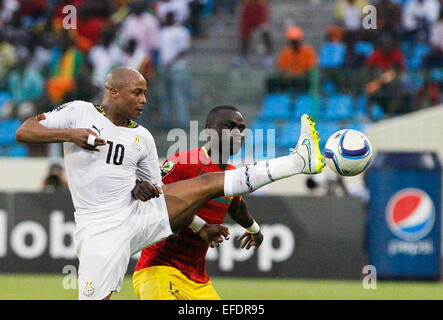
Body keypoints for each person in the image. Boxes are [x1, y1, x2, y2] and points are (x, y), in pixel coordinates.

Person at [15, 66, 325, 300]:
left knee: (211, 182)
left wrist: (193, 222)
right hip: (98, 229)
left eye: (146, 93)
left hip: (135, 217)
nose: (144, 100)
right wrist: (71, 135)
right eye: (137, 92)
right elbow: (25, 131)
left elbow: (160, 195)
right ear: (113, 91)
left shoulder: (143, 138)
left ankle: (298, 161)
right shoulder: (78, 112)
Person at [133, 105, 264, 300]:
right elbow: (159, 200)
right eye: (229, 126)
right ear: (208, 131)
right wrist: (199, 226)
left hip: (197, 280)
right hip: (159, 268)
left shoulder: (231, 173)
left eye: (241, 128)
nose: (237, 133)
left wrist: (254, 230)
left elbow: (236, 207)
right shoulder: (183, 162)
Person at [266, 26, 318, 94]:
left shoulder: (308, 51)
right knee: (272, 79)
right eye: (293, 41)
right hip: (289, 77)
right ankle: (278, 96)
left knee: (306, 79)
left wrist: (302, 73)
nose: (295, 43)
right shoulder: (286, 52)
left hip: (303, 77)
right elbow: (281, 68)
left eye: (296, 41)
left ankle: (302, 96)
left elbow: (311, 67)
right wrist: (286, 73)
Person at [232, 0, 273, 67]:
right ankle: (242, 56)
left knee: (265, 31)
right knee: (244, 32)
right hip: (248, 6)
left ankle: (268, 57)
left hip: (261, 6)